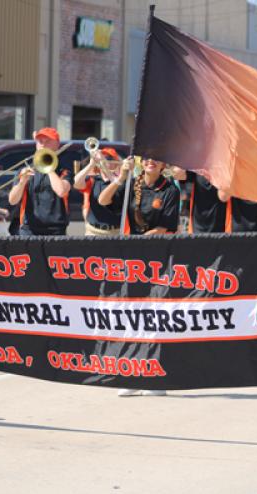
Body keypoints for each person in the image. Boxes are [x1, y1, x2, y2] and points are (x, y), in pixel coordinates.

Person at [99, 156, 180, 397]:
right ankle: (134, 373)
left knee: (156, 314)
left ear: (164, 164)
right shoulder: (132, 184)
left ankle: (156, 376)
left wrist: (139, 242)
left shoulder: (169, 190)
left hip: (158, 258)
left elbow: (163, 228)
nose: (150, 162)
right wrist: (120, 178)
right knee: (133, 314)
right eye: (145, 159)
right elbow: (103, 200)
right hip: (132, 260)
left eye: (156, 159)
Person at [8, 127, 72, 236]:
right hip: (29, 230)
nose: (43, 144)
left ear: (57, 144)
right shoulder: (25, 170)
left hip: (55, 230)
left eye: (47, 141)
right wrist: (22, 182)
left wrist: (48, 167)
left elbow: (61, 191)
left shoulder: (64, 170)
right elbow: (12, 201)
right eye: (40, 141)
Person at [73, 147, 122, 236]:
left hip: (116, 232)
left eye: (107, 158)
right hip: (93, 231)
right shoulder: (92, 180)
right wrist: (91, 164)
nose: (103, 160)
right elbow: (76, 183)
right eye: (101, 158)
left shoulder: (120, 181)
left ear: (115, 163)